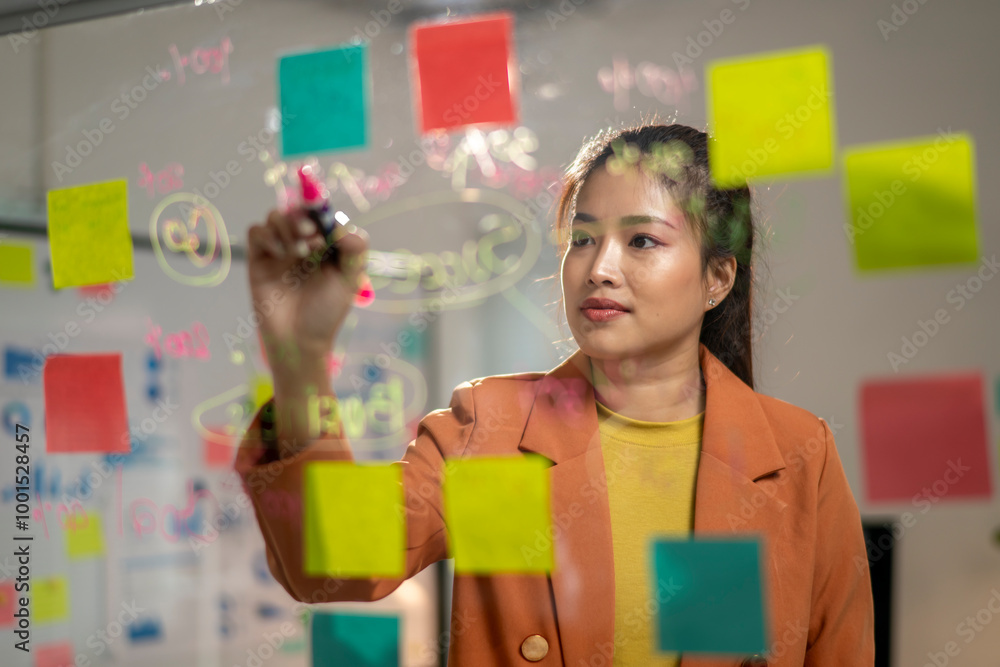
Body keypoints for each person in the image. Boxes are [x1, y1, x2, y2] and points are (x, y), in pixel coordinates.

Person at [236, 123, 875, 667]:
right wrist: (301, 356)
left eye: (642, 240)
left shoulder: (798, 455)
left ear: (717, 278)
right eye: (583, 239)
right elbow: (333, 561)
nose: (599, 268)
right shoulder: (491, 432)